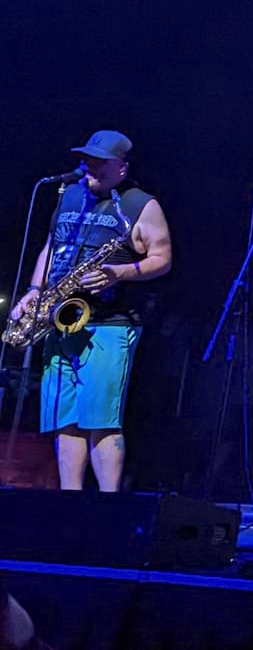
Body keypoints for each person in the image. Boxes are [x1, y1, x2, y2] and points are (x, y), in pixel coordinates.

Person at [8, 130, 173, 491]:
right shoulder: (69, 197)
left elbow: (162, 258)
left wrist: (121, 272)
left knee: (101, 419)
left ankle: (106, 505)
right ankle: (71, 503)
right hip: (59, 319)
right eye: (87, 158)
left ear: (122, 168)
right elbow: (50, 246)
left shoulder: (140, 204)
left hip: (109, 324)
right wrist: (35, 292)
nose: (90, 166)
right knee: (64, 420)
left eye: (100, 161)